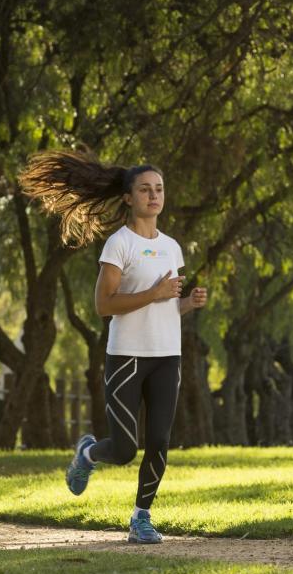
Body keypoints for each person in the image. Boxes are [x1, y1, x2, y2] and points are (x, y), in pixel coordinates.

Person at [19, 150, 207, 544]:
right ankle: (87, 454)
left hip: (167, 357)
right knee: (123, 449)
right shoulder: (118, 245)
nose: (154, 196)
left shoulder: (173, 247)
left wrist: (186, 304)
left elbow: (167, 306)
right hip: (127, 356)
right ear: (128, 197)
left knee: (158, 442)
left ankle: (141, 518)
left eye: (159, 189)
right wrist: (155, 293)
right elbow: (104, 306)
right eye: (145, 190)